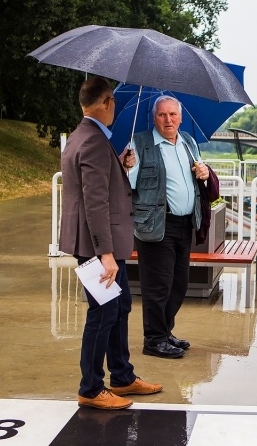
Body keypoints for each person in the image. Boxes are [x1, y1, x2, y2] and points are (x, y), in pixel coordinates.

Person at [60, 76, 163, 410]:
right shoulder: (91, 141)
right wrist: (106, 253)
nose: (115, 108)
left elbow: (95, 186)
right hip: (96, 247)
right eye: (113, 102)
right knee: (103, 312)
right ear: (105, 101)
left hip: (99, 244)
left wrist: (118, 165)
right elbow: (94, 203)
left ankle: (121, 377)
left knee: (119, 307)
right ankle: (90, 388)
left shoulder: (85, 137)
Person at [129, 95, 211, 359]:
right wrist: (126, 166)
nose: (168, 120)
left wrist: (205, 172)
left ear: (180, 117)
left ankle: (165, 332)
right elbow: (128, 183)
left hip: (184, 223)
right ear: (154, 118)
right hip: (156, 224)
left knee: (178, 284)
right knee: (158, 286)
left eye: (173, 115)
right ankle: (153, 340)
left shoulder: (187, 141)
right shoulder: (140, 143)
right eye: (162, 115)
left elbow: (199, 172)